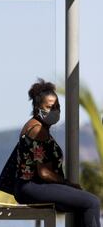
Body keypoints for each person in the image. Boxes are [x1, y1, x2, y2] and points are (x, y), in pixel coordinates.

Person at [13, 78, 101, 227]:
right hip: (33, 187)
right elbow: (44, 173)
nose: (55, 111)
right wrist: (67, 184)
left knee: (81, 205)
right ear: (37, 107)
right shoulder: (38, 130)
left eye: (57, 106)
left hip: (30, 186)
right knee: (92, 202)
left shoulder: (35, 126)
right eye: (49, 107)